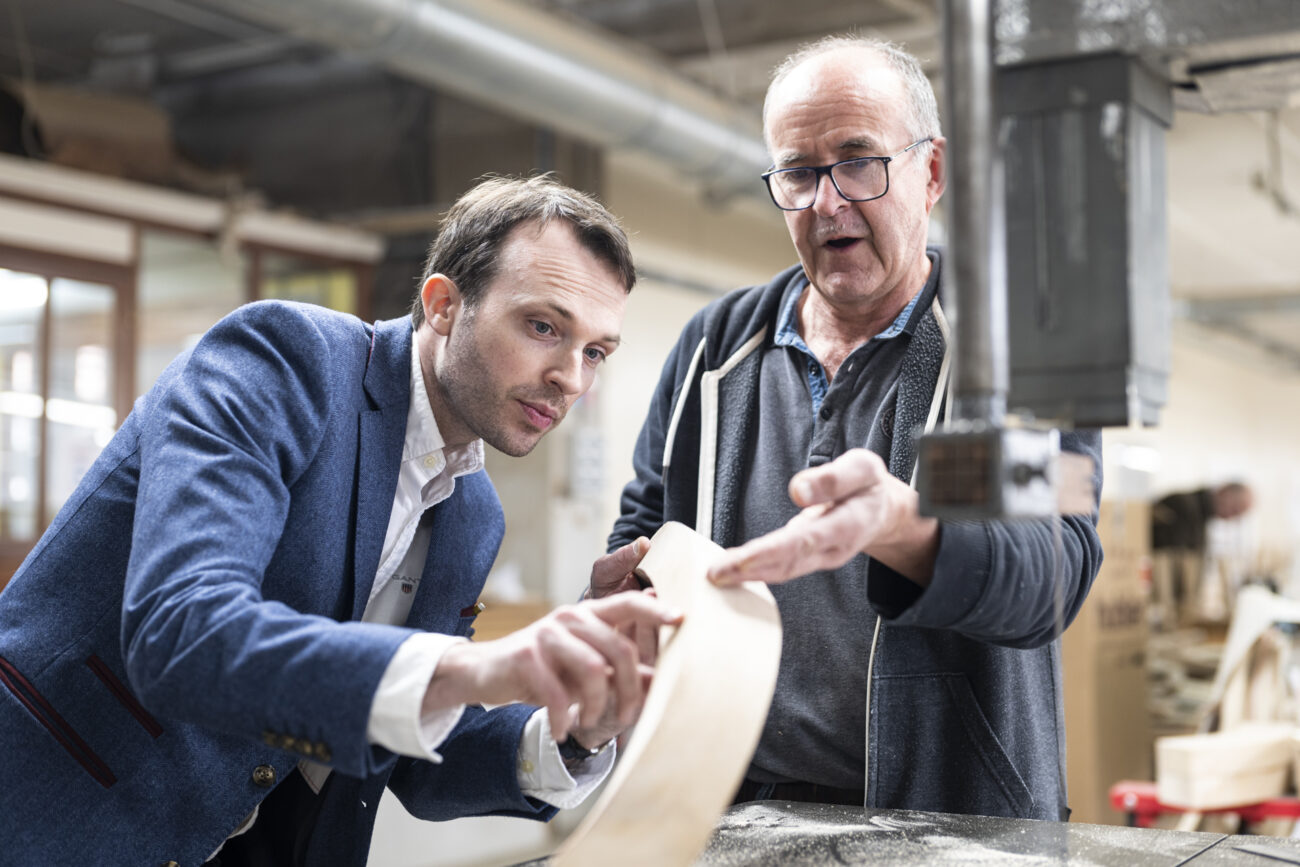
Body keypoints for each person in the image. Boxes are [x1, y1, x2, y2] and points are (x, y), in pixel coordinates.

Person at [0, 175, 682, 867]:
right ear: (444, 306)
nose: (571, 376)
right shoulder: (283, 361)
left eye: (595, 351)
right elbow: (183, 630)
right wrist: (483, 665)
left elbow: (418, 752)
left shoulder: (473, 516)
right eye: (544, 326)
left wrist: (574, 727)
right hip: (59, 820)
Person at [590, 36, 1103, 821]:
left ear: (930, 173)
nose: (827, 202)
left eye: (858, 161)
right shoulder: (715, 350)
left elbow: (1052, 568)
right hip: (735, 812)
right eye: (798, 172)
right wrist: (620, 589)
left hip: (951, 818)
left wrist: (908, 528)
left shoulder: (1009, 356)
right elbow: (647, 521)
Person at [1151, 482, 1253, 553]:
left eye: (1236, 515)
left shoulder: (1202, 518)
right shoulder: (1183, 505)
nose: (1231, 517)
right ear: (1225, 491)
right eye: (1235, 509)